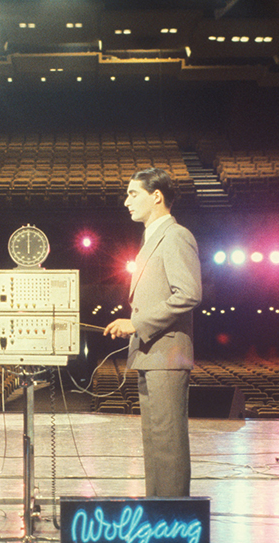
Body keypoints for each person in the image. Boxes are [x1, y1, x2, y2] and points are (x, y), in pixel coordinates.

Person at [104, 167, 202, 497]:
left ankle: (174, 522)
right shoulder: (153, 238)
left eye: (133, 194)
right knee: (156, 446)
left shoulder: (176, 235)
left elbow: (188, 293)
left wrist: (138, 323)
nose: (126, 201)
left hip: (166, 356)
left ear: (156, 196)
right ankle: (159, 515)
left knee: (168, 446)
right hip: (151, 355)